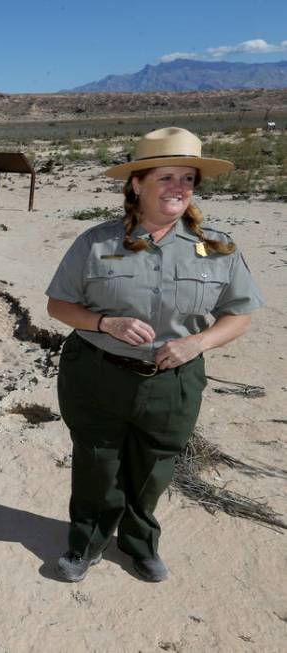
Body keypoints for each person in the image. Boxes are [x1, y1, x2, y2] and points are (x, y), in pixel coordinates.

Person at [45, 127, 264, 583]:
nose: (178, 187)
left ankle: (140, 545)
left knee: (154, 468)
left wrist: (196, 343)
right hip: (97, 374)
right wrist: (106, 323)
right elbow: (59, 305)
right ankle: (85, 544)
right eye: (165, 177)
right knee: (97, 464)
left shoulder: (218, 247)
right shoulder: (96, 243)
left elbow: (239, 315)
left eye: (187, 178)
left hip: (174, 381)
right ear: (136, 184)